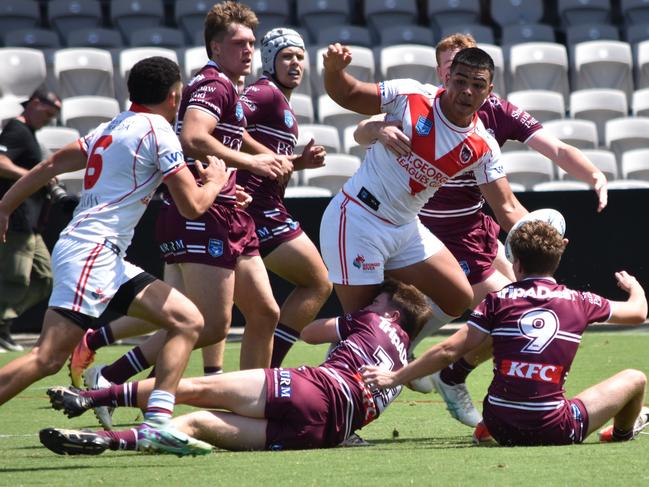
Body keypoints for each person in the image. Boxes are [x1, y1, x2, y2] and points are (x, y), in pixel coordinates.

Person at [353, 33, 609, 427]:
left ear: (486, 82)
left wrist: (593, 174)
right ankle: (424, 371)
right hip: (417, 226)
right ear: (445, 73)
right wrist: (377, 132)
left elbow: (553, 152)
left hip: (471, 232)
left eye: (476, 77)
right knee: (495, 308)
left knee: (514, 304)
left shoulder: (495, 113)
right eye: (454, 70)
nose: (465, 84)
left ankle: (442, 371)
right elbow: (362, 131)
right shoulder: (421, 102)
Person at [66, 2, 300, 413]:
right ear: (214, 46)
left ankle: (253, 407)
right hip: (201, 214)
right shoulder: (215, 85)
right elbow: (194, 137)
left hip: (224, 208)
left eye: (251, 43)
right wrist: (253, 164)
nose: (247, 50)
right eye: (238, 43)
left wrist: (232, 183)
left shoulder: (227, 87)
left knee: (264, 311)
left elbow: (211, 146)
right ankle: (111, 379)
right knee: (207, 326)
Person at [0, 56, 229, 454]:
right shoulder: (159, 132)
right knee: (47, 358)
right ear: (175, 96)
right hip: (93, 252)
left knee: (188, 320)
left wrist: (4, 205)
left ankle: (157, 423)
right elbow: (193, 206)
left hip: (101, 253)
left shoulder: (112, 126)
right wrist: (216, 182)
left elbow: (53, 164)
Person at [41, 279, 432, 455]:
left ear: (393, 312)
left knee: (190, 387)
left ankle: (90, 396)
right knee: (193, 425)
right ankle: (109, 441)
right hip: (320, 433)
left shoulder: (375, 320)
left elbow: (311, 332)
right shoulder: (405, 364)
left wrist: (346, 325)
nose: (368, 305)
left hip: (309, 389)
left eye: (376, 301)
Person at [361, 220, 648, 446]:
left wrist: (395, 377)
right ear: (560, 253)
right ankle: (621, 434)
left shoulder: (497, 300)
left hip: (500, 425)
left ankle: (485, 423)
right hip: (556, 429)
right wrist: (634, 286)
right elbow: (638, 312)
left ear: (516, 263)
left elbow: (449, 349)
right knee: (635, 379)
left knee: (502, 345)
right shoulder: (581, 301)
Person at [320, 45, 527, 347]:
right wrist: (334, 70)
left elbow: (506, 207)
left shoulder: (483, 145)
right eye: (460, 81)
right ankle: (344, 371)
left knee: (458, 296)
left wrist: (539, 240)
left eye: (477, 85)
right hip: (358, 220)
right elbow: (349, 94)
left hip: (405, 228)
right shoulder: (410, 95)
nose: (467, 91)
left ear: (489, 91)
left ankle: (394, 350)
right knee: (362, 329)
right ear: (447, 78)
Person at [0, 88, 61, 352]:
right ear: (34, 102)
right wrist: (34, 176)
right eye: (47, 112)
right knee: (16, 278)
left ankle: (3, 323)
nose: (49, 119)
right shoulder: (16, 129)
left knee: (44, 277)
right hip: (15, 217)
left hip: (30, 221)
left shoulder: (29, 135)